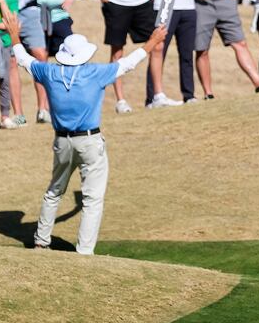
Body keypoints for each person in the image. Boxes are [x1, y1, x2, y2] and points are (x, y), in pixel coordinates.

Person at [10, 16, 165, 252]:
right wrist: (152, 42)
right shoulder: (95, 72)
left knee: (54, 191)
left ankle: (41, 241)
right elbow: (129, 63)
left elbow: (23, 59)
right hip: (90, 142)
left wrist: (14, 35)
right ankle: (84, 252)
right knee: (92, 200)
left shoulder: (49, 72)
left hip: (62, 142)